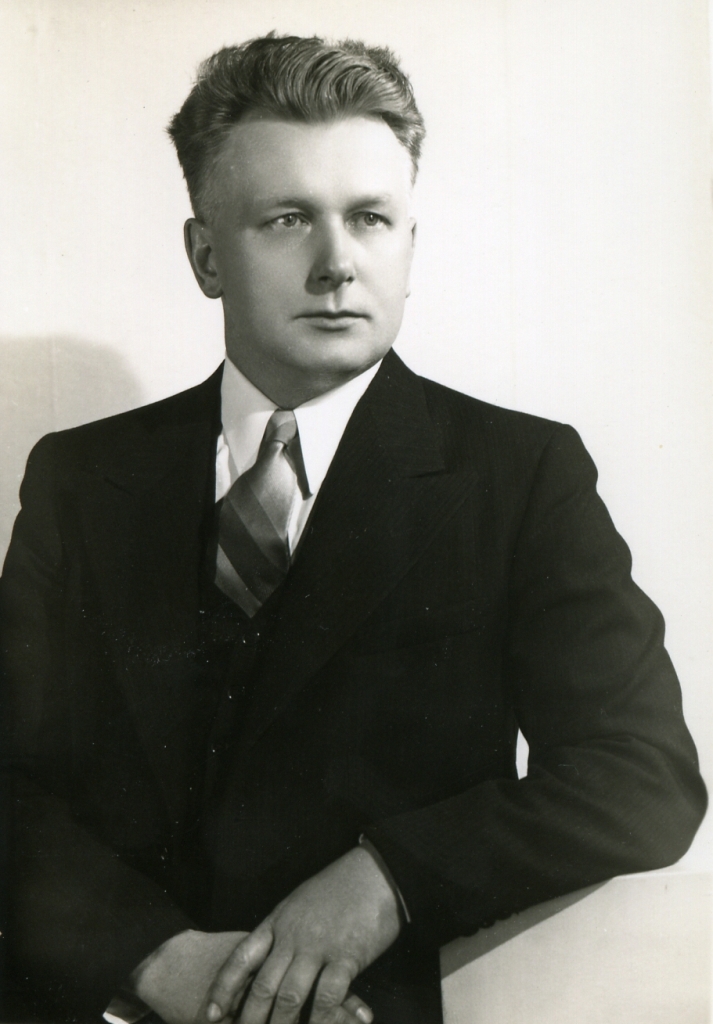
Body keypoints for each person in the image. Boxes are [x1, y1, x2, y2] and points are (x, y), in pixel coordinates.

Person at [0, 32, 706, 1024]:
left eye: (369, 218)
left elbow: (640, 773)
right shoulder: (81, 478)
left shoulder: (517, 475)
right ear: (206, 256)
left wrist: (388, 878)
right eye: (287, 219)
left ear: (409, 245)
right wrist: (152, 957)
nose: (336, 264)